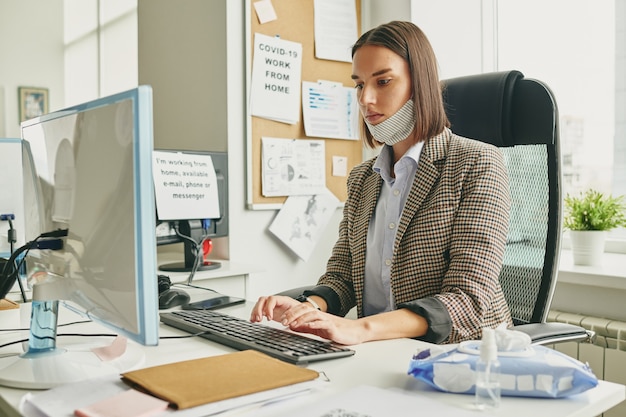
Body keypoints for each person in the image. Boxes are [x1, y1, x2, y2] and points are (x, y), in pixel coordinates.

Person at [250, 21, 513, 345]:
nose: (366, 99)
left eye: (383, 81)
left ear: (420, 83)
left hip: (460, 358)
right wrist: (308, 308)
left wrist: (358, 329)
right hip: (379, 352)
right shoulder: (363, 178)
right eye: (359, 85)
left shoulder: (476, 164)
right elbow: (343, 277)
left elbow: (467, 300)